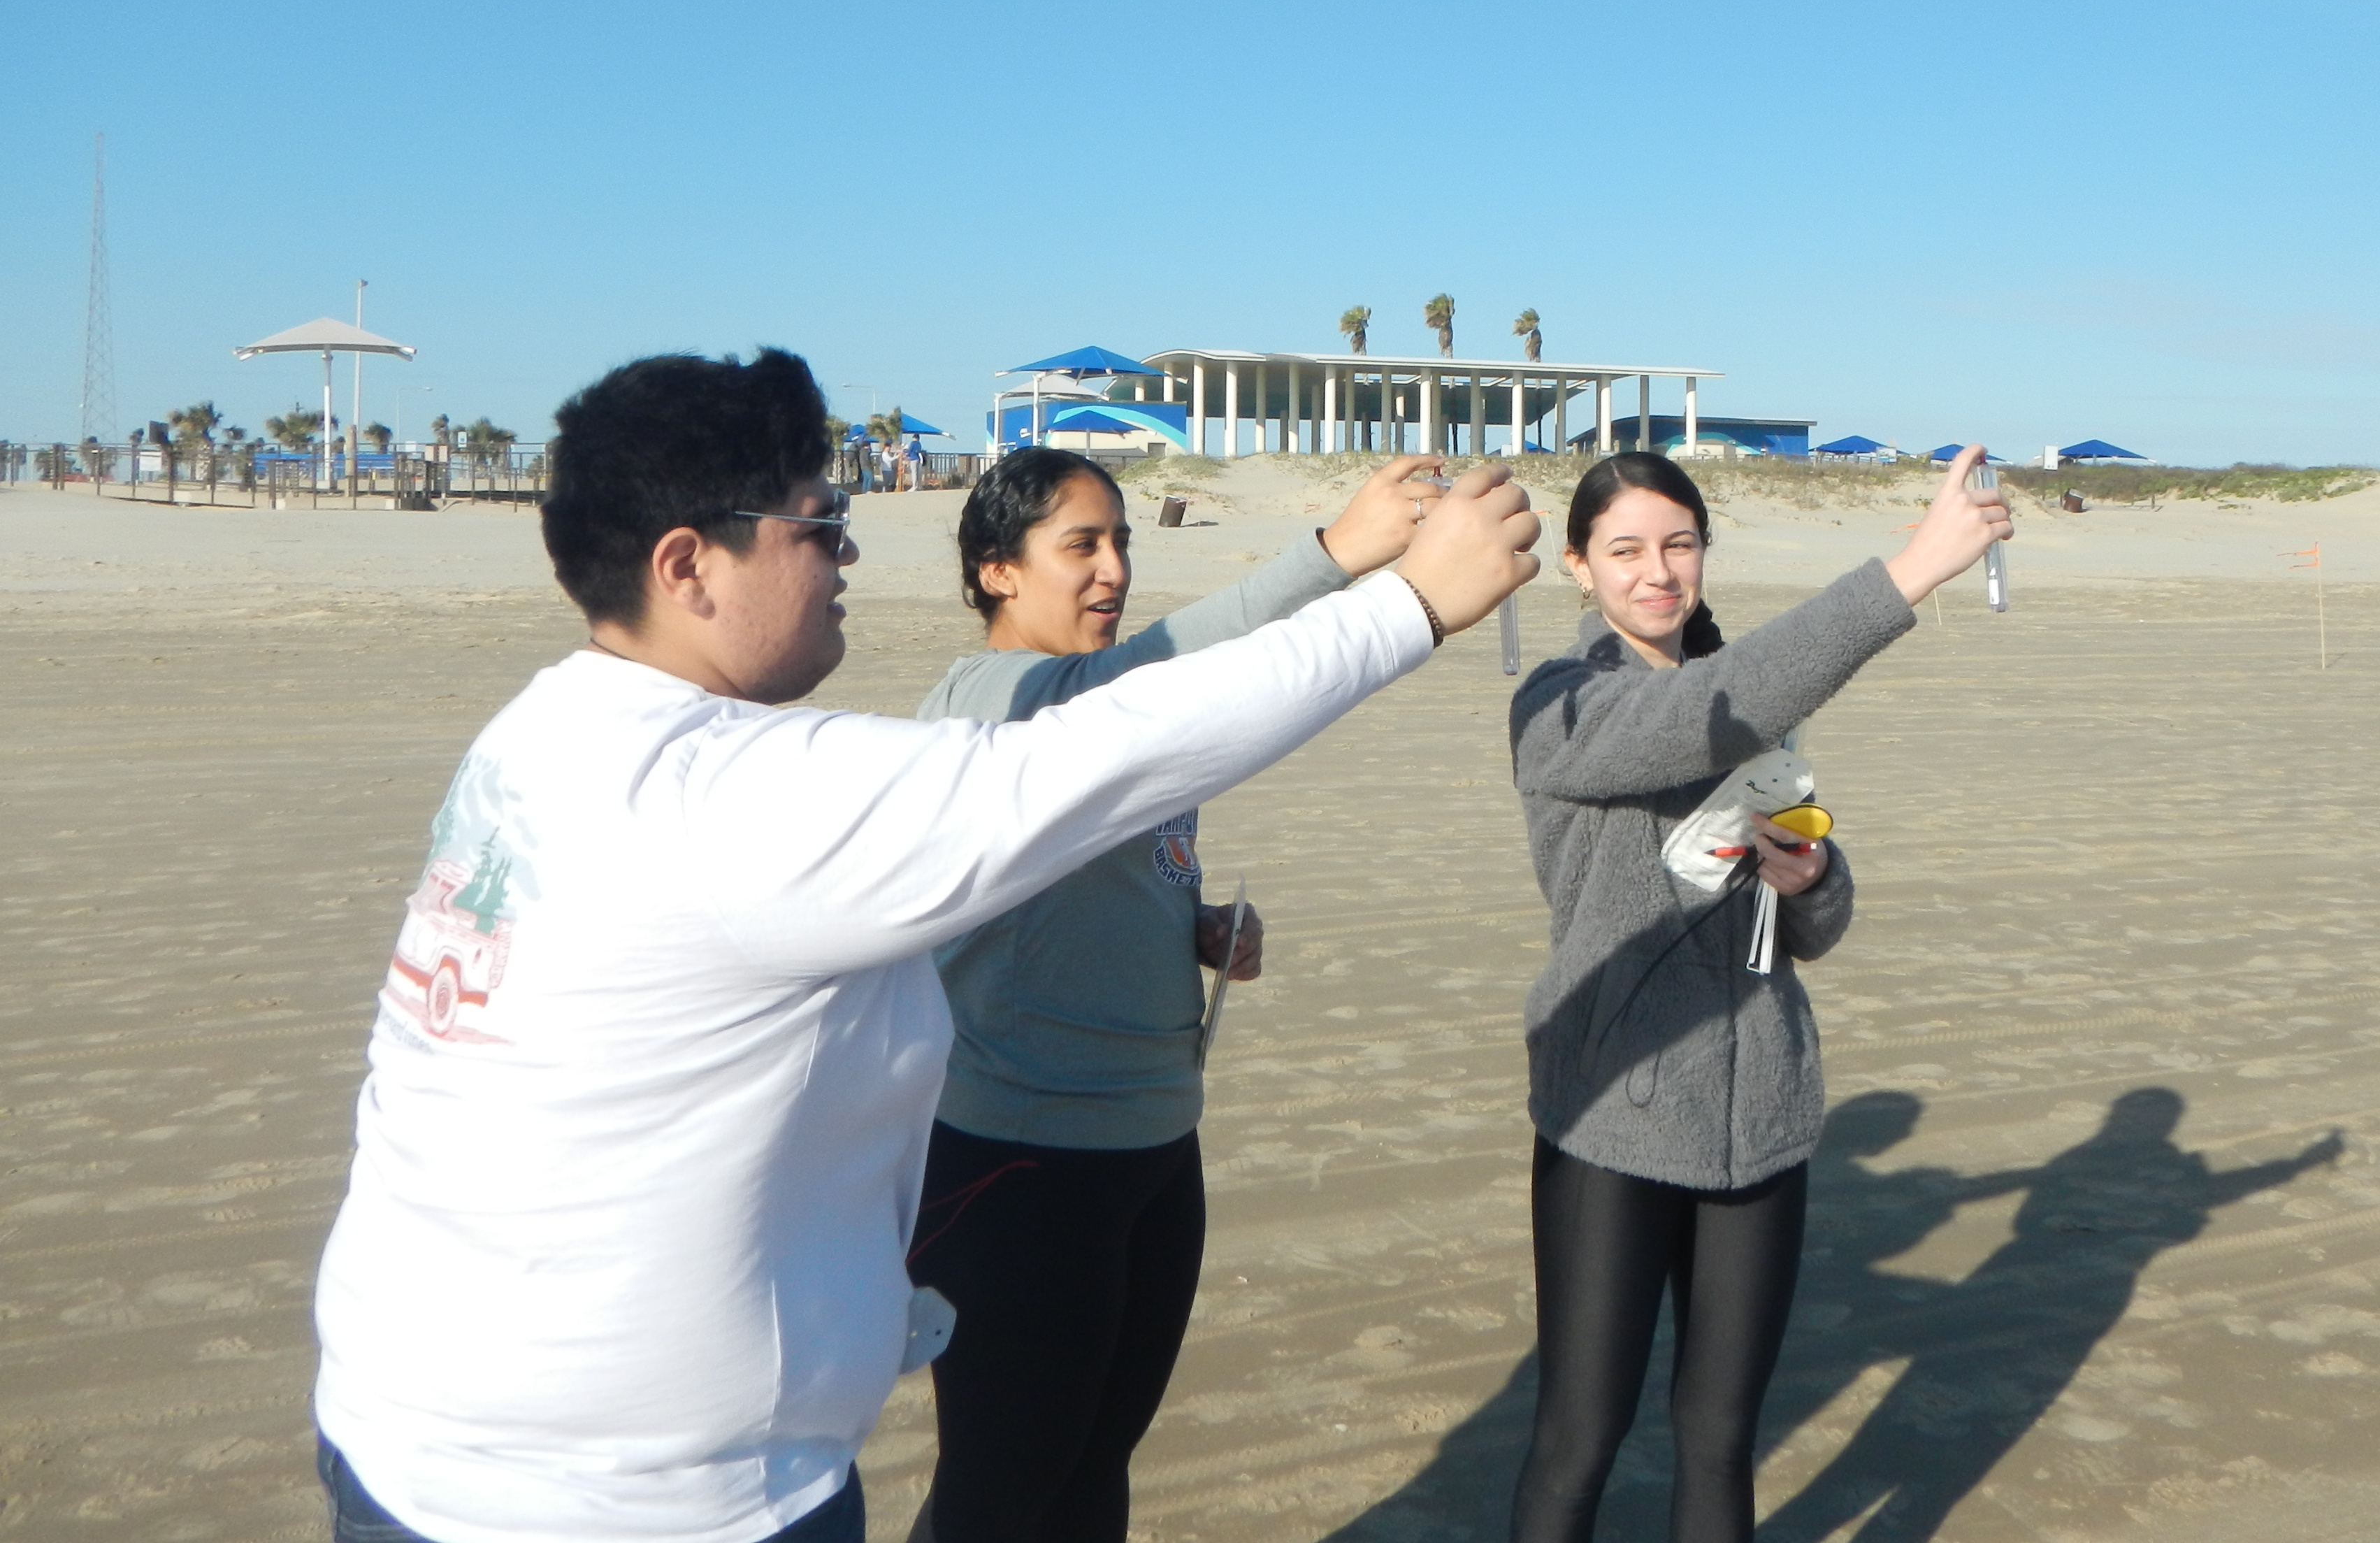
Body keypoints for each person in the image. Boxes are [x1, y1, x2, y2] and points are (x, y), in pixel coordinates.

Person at [308, 350, 1536, 1543]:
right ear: (687, 565)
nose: (847, 549)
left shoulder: (539, 734)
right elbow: (1113, 744)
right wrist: (1406, 605)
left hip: (417, 1438)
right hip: (622, 1501)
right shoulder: (735, 794)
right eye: (814, 522)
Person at [902, 445, 1443, 1543]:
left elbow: (1105, 875)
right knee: (999, 1492)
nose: (1113, 571)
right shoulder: (991, 699)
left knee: (1097, 1465)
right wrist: (1338, 557)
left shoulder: (1122, 716)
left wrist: (1190, 926)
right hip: (1020, 1159)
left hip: (1156, 1140)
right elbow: (1165, 670)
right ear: (997, 573)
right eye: (1080, 547)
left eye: (1123, 544)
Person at [1503, 445, 2011, 1543]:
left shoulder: (1760, 713)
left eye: (1678, 545)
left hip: (1763, 1116)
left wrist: (1816, 877)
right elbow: (1695, 717)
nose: (1657, 572)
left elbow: (1813, 926)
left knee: (1721, 1439)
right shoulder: (1561, 707)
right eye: (1625, 549)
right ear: (1579, 569)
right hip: (1613, 1120)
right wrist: (1914, 568)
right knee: (1577, 1444)